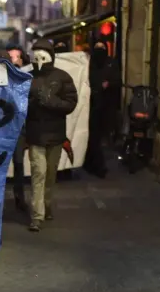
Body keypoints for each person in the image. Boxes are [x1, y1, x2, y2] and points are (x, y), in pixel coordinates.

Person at [26, 39, 78, 232]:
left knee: (50, 174)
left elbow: (70, 103)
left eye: (43, 56)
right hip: (36, 135)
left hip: (55, 135)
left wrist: (50, 101)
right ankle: (36, 215)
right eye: (35, 56)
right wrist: (33, 102)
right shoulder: (27, 78)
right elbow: (19, 105)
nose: (39, 60)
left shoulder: (62, 77)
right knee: (38, 173)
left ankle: (47, 205)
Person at [84, 41, 119, 177]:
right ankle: (96, 164)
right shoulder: (89, 63)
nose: (99, 50)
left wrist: (109, 84)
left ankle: (94, 163)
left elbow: (117, 80)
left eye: (102, 48)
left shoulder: (111, 63)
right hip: (90, 105)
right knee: (93, 136)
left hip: (106, 106)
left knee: (98, 137)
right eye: (97, 47)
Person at [6, 44, 29, 212]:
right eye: (10, 57)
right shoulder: (1, 76)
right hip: (4, 127)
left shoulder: (27, 77)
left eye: (15, 57)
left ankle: (19, 196)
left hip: (20, 128)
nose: (13, 60)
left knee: (19, 163)